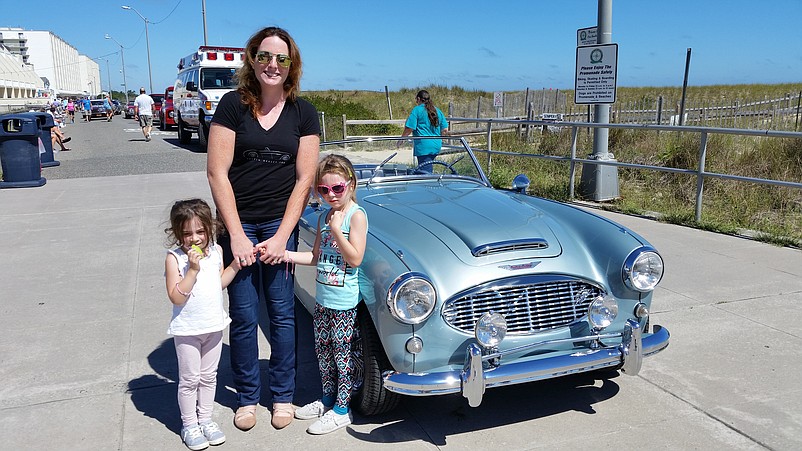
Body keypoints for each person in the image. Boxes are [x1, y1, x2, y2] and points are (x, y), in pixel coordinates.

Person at [206, 26, 320, 431]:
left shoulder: (304, 112)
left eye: (282, 58)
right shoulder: (232, 106)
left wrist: (282, 236)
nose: (273, 64)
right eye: (265, 56)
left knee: (282, 313)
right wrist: (235, 235)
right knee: (241, 312)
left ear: (292, 66)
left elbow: (305, 179)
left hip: (279, 224)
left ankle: (284, 396)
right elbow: (217, 172)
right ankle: (248, 396)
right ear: (252, 60)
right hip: (238, 223)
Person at [278, 155, 367, 435]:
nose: (331, 195)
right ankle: (327, 400)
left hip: (343, 302)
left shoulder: (356, 216)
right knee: (324, 353)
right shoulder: (324, 216)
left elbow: (355, 258)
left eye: (337, 189)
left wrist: (337, 231)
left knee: (343, 355)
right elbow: (316, 256)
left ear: (350, 184)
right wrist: (285, 254)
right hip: (323, 299)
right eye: (324, 190)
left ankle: (342, 409)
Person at [164, 198, 241, 450]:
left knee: (209, 377)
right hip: (188, 330)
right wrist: (192, 271)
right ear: (177, 234)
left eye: (200, 231)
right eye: (186, 233)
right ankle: (189, 425)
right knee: (189, 380)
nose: (194, 238)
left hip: (213, 326)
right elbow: (176, 295)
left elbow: (218, 283)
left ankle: (205, 419)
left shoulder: (216, 252)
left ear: (210, 229)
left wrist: (235, 265)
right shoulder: (175, 259)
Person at [400, 89, 449, 172]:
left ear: (419, 99)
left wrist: (401, 139)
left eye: (416, 100)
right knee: (426, 167)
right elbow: (444, 130)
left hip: (423, 146)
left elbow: (409, 128)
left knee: (425, 172)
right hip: (436, 145)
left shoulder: (417, 110)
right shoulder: (437, 111)